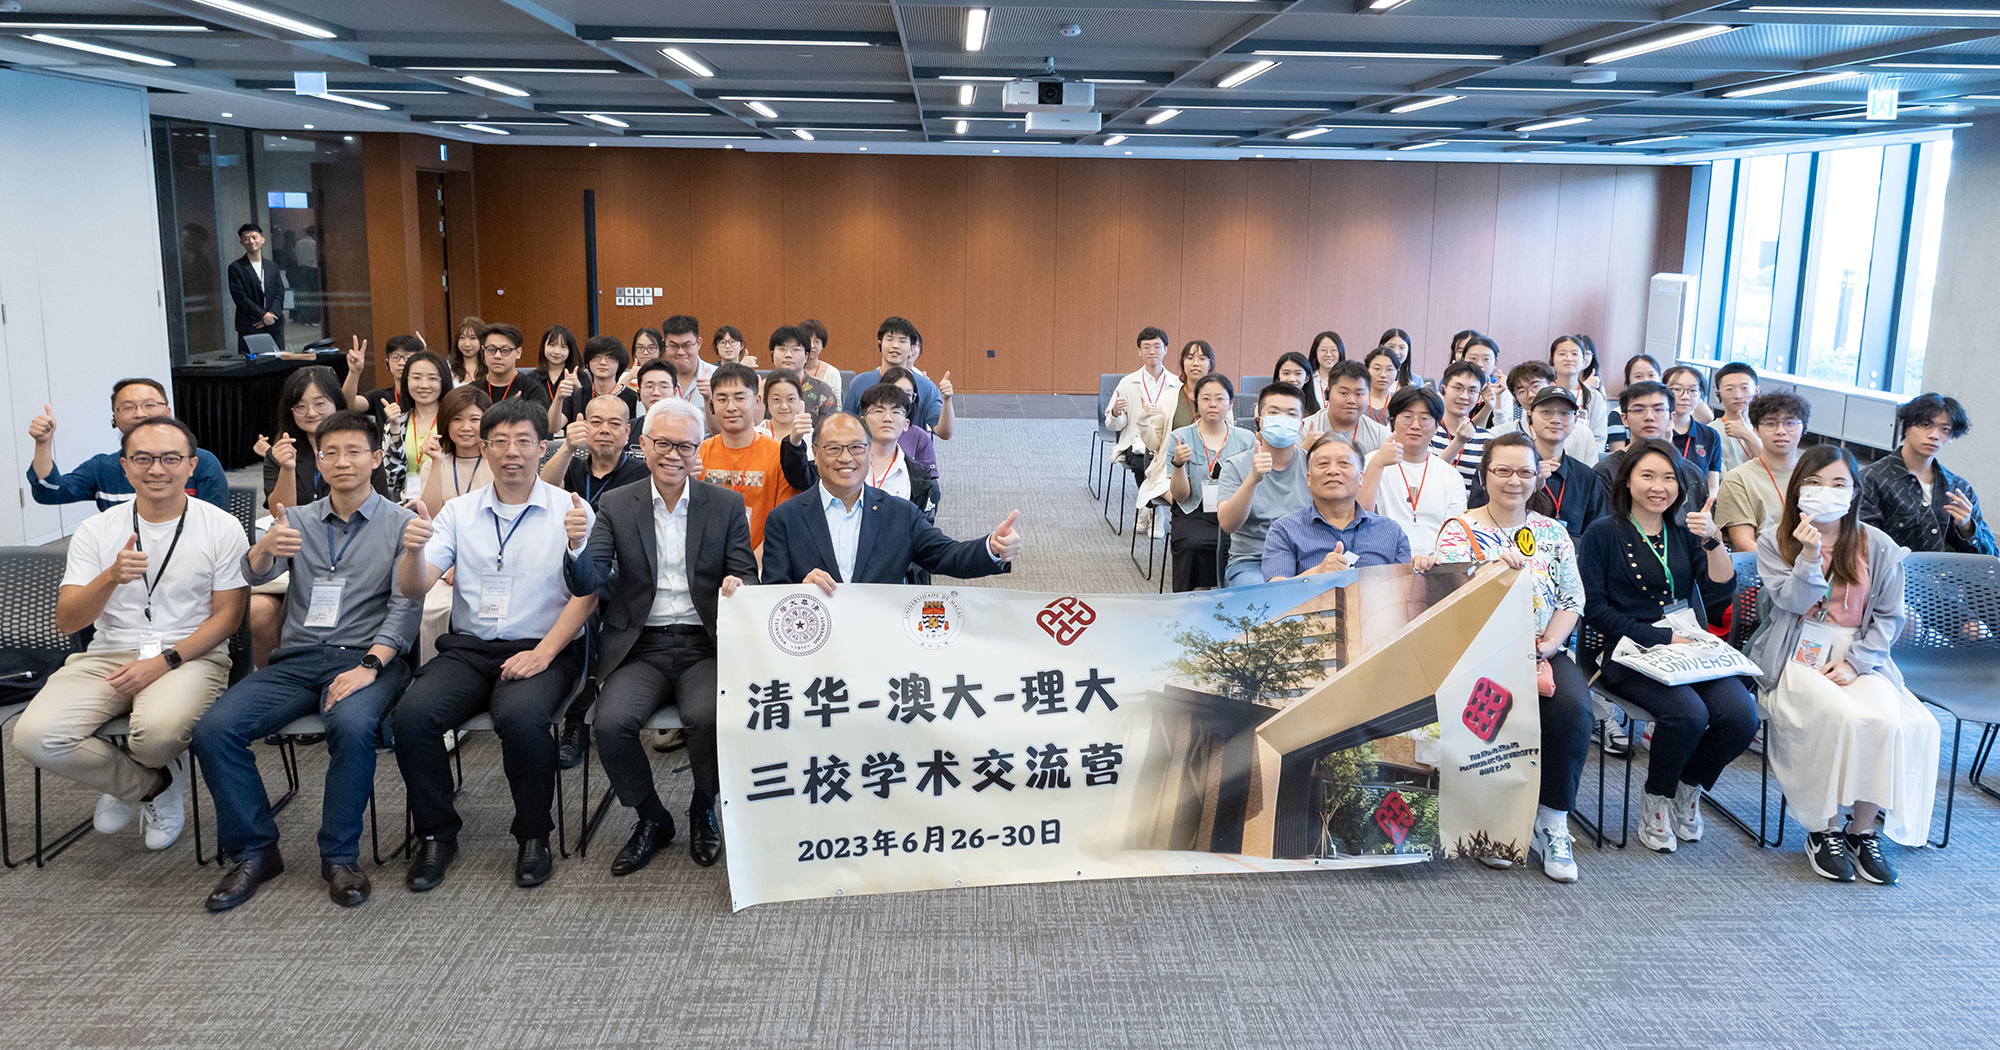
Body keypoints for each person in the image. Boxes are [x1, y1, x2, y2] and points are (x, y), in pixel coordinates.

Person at [191, 411, 420, 911]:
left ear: (376, 459)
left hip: (366, 658)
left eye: (354, 451)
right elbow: (254, 577)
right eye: (331, 452)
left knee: (354, 727)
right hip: (297, 659)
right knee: (215, 730)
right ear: (319, 460)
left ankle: (339, 857)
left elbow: (406, 609)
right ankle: (255, 850)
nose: (342, 462)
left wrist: (370, 667)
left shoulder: (403, 524)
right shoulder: (295, 519)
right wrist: (263, 548)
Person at [12, 417, 248, 853]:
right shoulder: (96, 530)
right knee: (35, 736)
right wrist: (109, 578)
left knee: (157, 734)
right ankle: (150, 785)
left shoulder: (221, 526)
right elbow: (67, 621)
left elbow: (228, 617)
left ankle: (130, 774)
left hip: (188, 655)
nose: (157, 469)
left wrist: (163, 663)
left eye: (170, 458)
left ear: (191, 466)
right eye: (143, 458)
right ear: (125, 466)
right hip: (108, 653)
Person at [393, 398, 599, 892]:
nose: (512, 453)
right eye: (500, 441)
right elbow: (415, 588)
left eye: (524, 441)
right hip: (469, 648)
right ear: (483, 447)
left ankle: (533, 834)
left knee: (523, 720)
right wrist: (414, 548)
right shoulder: (460, 513)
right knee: (412, 716)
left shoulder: (570, 510)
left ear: (541, 447)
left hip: (542, 645)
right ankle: (437, 834)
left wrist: (544, 653)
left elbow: (587, 595)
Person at [566, 398, 756, 873]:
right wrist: (575, 546)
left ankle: (702, 808)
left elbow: (747, 574)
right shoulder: (615, 504)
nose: (674, 454)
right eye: (664, 443)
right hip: (640, 646)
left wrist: (739, 585)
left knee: (707, 717)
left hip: (703, 643)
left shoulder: (726, 504)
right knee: (609, 724)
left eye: (686, 446)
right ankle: (652, 816)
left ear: (698, 452)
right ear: (643, 444)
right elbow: (588, 582)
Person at [1748, 445, 1939, 885]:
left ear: (1854, 493)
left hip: (1861, 655)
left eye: (1839, 484)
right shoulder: (1775, 539)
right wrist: (1810, 556)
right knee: (1840, 716)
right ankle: (1825, 829)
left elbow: (1891, 617)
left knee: (1887, 719)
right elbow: (1792, 602)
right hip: (1800, 652)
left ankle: (1862, 829)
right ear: (1798, 489)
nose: (1826, 492)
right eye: (1814, 483)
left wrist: (1858, 663)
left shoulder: (1879, 545)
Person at [1418, 432, 1590, 882]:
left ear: (1538, 477)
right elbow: (1455, 595)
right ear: (1484, 474)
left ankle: (1553, 821)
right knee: (1496, 706)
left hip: (1540, 648)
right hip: (1480, 650)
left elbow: (1572, 600)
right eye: (1503, 471)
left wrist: (1550, 645)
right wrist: (1496, 573)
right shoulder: (1460, 529)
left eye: (1525, 471)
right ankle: (1495, 821)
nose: (1514, 481)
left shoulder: (1552, 533)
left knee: (1572, 709)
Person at [1579, 438, 1755, 854]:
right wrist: (1658, 636)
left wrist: (1713, 540)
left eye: (1668, 477)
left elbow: (1719, 591)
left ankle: (1687, 786)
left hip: (1685, 648)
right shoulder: (1603, 532)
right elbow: (1594, 609)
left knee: (1740, 716)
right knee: (1688, 714)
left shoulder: (1685, 530)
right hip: (1625, 651)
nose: (1659, 486)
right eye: (1647, 476)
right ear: (1627, 481)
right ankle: (1656, 797)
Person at [762, 413, 1021, 589]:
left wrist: (992, 547)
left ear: (869, 452)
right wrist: (798, 593)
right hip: (814, 653)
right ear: (815, 454)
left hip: (883, 650)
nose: (846, 458)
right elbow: (770, 593)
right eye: (833, 448)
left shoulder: (900, 514)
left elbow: (947, 554)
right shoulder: (785, 519)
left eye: (856, 447)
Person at [27, 378, 229, 512]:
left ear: (168, 412)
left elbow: (216, 525)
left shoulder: (200, 461)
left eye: (150, 405)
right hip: (124, 564)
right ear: (115, 418)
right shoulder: (103, 467)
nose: (140, 414)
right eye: (128, 407)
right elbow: (49, 493)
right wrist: (43, 443)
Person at [1147, 374, 1251, 591]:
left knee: (1242, 545)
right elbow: (1180, 497)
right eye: (1205, 399)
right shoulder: (1181, 437)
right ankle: (1192, 601)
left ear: (1230, 403)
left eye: (1220, 399)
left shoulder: (1246, 440)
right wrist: (1178, 464)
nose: (1212, 404)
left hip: (1235, 511)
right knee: (1193, 544)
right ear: (1196, 403)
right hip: (1194, 510)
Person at [1859, 392, 1997, 556]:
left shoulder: (1959, 488)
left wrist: (1967, 528)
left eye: (1945, 429)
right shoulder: (1872, 479)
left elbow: (1992, 557)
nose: (1934, 435)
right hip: (1895, 577)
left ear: (1952, 437)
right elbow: (1863, 546)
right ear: (1907, 428)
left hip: (1947, 578)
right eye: (1926, 425)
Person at [1262, 435, 1411, 580]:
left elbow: (1406, 593)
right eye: (1323, 464)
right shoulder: (1284, 530)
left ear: (1360, 478)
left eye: (1344, 463)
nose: (1333, 471)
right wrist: (1317, 573)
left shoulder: (1391, 531)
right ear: (1309, 479)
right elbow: (1275, 594)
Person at [1482, 386, 1610, 546]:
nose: (1555, 419)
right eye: (1546, 412)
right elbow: (1482, 516)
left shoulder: (1585, 476)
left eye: (1564, 413)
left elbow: (1596, 533)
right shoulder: (1504, 468)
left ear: (1575, 420)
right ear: (1530, 416)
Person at [1216, 382, 1312, 587]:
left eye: (1291, 414)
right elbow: (1227, 524)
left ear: (1301, 425)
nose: (1282, 420)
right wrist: (1253, 479)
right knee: (1262, 600)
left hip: (1304, 557)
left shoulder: (1314, 465)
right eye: (1274, 412)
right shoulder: (1236, 465)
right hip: (1253, 561)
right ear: (1259, 420)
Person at [697, 362, 799, 552]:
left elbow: (784, 524)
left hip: (762, 565)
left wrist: (750, 567)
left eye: (739, 398)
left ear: (758, 401)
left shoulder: (780, 456)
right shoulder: (698, 454)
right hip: (707, 566)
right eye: (722, 399)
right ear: (711, 403)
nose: (731, 407)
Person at [1359, 386, 1469, 557]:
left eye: (1424, 418)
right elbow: (1359, 518)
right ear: (1392, 421)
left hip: (1435, 566)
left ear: (1437, 426)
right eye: (1407, 417)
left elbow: (1454, 534)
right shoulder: (1371, 461)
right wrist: (1378, 464)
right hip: (1382, 562)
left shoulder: (1450, 476)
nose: (1415, 425)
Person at [1593, 381, 1709, 527]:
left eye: (1658, 410)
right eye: (1639, 410)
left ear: (1671, 418)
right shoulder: (1605, 471)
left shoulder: (1691, 472)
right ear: (1624, 419)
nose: (1649, 417)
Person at [1103, 326, 1181, 538]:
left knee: (1168, 463)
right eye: (1146, 347)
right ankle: (1155, 512)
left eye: (1157, 346)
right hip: (1136, 441)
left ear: (1166, 349)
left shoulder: (1176, 384)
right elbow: (1113, 424)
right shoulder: (1128, 383)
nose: (1152, 351)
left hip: (1165, 442)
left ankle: (1147, 508)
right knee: (1141, 462)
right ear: (1139, 351)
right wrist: (1118, 412)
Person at [1716, 392, 1809, 552]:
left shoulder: (1814, 476)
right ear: (1756, 430)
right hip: (1763, 568)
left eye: (1790, 423)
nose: (1781, 431)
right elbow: (1744, 544)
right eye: (1771, 424)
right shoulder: (1738, 479)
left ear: (1804, 429)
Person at [843, 316, 945, 431]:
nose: (895, 345)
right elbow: (846, 425)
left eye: (902, 341)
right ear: (880, 343)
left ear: (912, 348)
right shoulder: (859, 383)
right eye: (890, 339)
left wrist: (947, 399)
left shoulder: (926, 386)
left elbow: (943, 432)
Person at [541, 394, 649, 501]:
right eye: (596, 422)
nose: (604, 430)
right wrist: (568, 447)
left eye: (614, 423)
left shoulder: (644, 473)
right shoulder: (571, 467)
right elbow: (544, 488)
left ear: (627, 432)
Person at [1499, 362, 1600, 466]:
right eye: (1521, 391)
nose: (1531, 395)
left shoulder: (1582, 433)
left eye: (1536, 386)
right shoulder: (1506, 433)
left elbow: (1591, 475)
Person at [416, 386, 493, 513]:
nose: (465, 427)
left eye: (474, 419)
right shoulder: (432, 465)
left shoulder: (498, 462)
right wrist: (436, 461)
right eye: (457, 419)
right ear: (446, 422)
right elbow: (430, 516)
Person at [387, 349, 452, 500]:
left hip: (445, 503)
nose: (424, 385)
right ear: (406, 381)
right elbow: (391, 479)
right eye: (416, 377)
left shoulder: (453, 422)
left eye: (432, 378)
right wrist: (394, 429)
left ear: (444, 381)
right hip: (405, 506)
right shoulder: (397, 421)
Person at [1301, 360, 1388, 458]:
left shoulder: (1381, 435)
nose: (1351, 400)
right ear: (1328, 392)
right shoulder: (1304, 430)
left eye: (1359, 394)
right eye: (1344, 393)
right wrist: (1304, 451)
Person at [554, 335, 639, 433]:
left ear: (619, 364)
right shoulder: (578, 395)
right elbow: (554, 428)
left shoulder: (631, 397)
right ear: (588, 362)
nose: (603, 362)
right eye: (596, 357)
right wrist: (558, 398)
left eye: (610, 358)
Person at [1662, 365, 1723, 495]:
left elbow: (1712, 486)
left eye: (1693, 390)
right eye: (1677, 389)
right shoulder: (1654, 430)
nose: (1686, 396)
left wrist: (1707, 509)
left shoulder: (1710, 435)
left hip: (1697, 509)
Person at [1429, 361, 1492, 487]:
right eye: (1458, 388)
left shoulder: (1487, 440)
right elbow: (1428, 474)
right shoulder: (1426, 431)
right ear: (1443, 389)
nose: (1464, 396)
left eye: (1472, 391)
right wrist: (1459, 441)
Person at [227, 222, 285, 354]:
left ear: (262, 240)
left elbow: (279, 293)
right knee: (252, 365)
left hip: (274, 323)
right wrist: (262, 315)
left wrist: (272, 315)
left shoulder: (272, 266)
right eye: (246, 238)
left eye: (254, 237)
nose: (251, 241)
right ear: (241, 242)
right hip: (250, 324)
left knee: (277, 363)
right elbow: (240, 298)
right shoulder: (236, 268)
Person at [877, 367, 941, 479]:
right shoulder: (866, 432)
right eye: (897, 393)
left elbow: (929, 482)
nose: (902, 400)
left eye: (908, 395)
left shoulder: (919, 436)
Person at [768, 325, 839, 424]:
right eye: (782, 349)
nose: (788, 355)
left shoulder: (822, 391)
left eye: (796, 349)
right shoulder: (762, 389)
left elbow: (829, 432)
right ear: (772, 354)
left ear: (806, 356)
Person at [1549, 335, 1607, 454]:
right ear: (1552, 360)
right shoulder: (1542, 393)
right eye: (1562, 354)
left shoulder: (1594, 397)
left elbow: (1599, 438)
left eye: (1575, 354)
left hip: (1583, 463)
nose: (1568, 358)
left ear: (1583, 361)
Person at [342, 333, 423, 417]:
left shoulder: (427, 394)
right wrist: (354, 372)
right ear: (387, 363)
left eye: (408, 357)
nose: (401, 363)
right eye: (395, 357)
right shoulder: (380, 397)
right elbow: (348, 405)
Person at [476, 323, 550, 407]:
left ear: (518, 353)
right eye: (491, 350)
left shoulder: (533, 390)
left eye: (505, 350)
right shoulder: (472, 391)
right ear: (483, 351)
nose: (497, 356)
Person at [1603, 354, 1661, 454]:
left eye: (1651, 375)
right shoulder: (1617, 414)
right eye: (1638, 376)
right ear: (1628, 381)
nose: (1645, 380)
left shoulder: (1666, 412)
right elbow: (1617, 456)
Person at [1711, 362, 1762, 474]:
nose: (1738, 395)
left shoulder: (1766, 427)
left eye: (1745, 388)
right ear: (1718, 394)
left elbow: (1774, 466)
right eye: (1729, 389)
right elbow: (1718, 479)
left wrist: (1746, 435)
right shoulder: (1712, 431)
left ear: (1756, 390)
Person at [1454, 335, 1513, 430]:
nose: (1479, 364)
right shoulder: (1454, 388)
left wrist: (1498, 398)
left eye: (1486, 359)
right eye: (1473, 358)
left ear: (1495, 364)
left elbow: (1503, 430)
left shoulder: (1502, 391)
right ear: (1463, 360)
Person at [660, 314, 715, 415]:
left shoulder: (716, 376)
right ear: (664, 345)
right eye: (674, 346)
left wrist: (710, 399)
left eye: (687, 345)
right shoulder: (655, 380)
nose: (680, 352)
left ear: (699, 343)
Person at [537, 324, 581, 429]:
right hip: (539, 434)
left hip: (570, 436)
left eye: (563, 347)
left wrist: (579, 388)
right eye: (552, 345)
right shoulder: (533, 377)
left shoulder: (579, 377)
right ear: (544, 346)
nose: (557, 351)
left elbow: (589, 408)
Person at [1169, 340, 1214, 432]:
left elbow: (1228, 433)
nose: (1195, 363)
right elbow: (1156, 443)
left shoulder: (1220, 397)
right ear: (1183, 363)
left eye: (1202, 359)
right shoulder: (1169, 397)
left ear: (1210, 365)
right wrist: (1144, 422)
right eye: (1190, 358)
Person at [799, 318, 842, 404]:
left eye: (817, 342)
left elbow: (837, 408)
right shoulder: (791, 371)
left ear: (822, 346)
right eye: (808, 341)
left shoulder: (832, 373)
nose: (812, 346)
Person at [1306, 331, 1346, 408]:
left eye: (1333, 350)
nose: (1328, 354)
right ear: (1315, 353)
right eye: (1323, 350)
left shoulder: (1347, 380)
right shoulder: (1308, 379)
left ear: (1340, 352)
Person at [1361, 345, 1400, 424]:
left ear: (1397, 373)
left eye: (1389, 369)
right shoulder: (1357, 399)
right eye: (1377, 369)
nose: (1383, 375)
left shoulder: (1400, 401)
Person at [1274, 352, 1318, 417]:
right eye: (1286, 373)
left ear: (1307, 378)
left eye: (1298, 373)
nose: (1292, 379)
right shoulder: (1268, 406)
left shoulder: (1315, 411)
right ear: (1278, 376)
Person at [447, 315, 485, 385]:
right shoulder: (448, 368)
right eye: (462, 338)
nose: (467, 344)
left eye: (473, 338)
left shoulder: (490, 367)